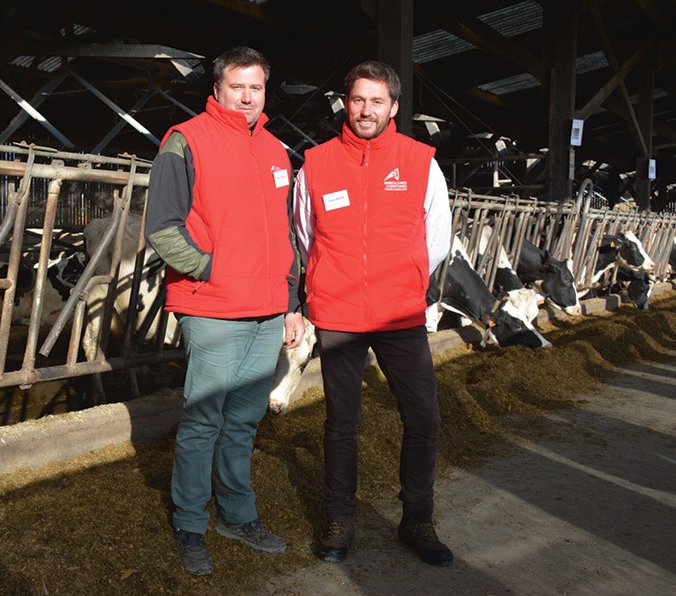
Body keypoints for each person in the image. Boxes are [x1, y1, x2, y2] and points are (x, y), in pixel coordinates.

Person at [144, 45, 307, 576]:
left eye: (255, 87)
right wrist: (210, 270)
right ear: (216, 90)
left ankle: (237, 515)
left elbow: (286, 236)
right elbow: (162, 228)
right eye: (236, 86)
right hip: (212, 306)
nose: (246, 97)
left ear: (265, 91)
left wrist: (289, 303)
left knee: (243, 421)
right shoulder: (185, 140)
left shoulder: (279, 152)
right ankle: (190, 523)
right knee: (203, 418)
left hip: (266, 309)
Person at [293, 61, 454, 566]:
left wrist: (405, 276)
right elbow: (305, 232)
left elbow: (437, 236)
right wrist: (333, 277)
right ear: (347, 102)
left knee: (423, 418)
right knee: (342, 420)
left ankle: (418, 518)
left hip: (399, 313)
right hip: (339, 312)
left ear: (394, 108)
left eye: (376, 101)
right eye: (358, 100)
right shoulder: (316, 163)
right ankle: (340, 518)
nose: (366, 110)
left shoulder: (420, 161)